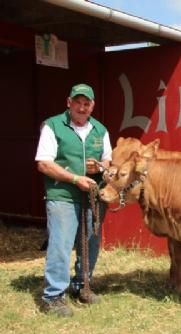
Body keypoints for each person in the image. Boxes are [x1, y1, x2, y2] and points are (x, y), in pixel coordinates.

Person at [35, 83, 112, 317]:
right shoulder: (53, 125)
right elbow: (44, 163)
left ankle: (82, 286)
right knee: (61, 244)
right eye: (77, 102)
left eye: (86, 103)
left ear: (92, 106)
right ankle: (53, 296)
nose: (82, 107)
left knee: (91, 242)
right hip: (63, 195)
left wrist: (99, 166)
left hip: (92, 196)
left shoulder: (100, 130)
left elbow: (108, 162)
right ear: (69, 102)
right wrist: (75, 177)